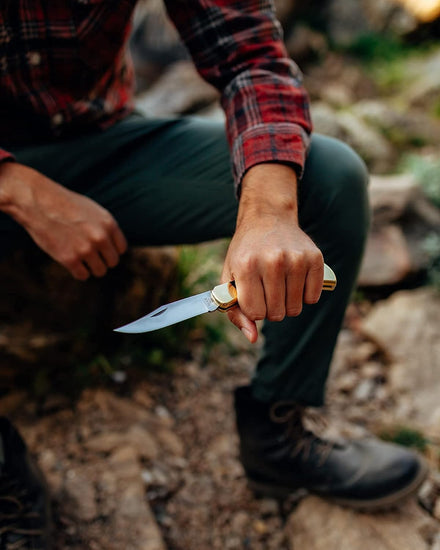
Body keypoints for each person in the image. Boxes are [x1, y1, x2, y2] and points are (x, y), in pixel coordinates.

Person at [0, 1, 427, 548]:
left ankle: (278, 432)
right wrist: (17, 188)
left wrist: (267, 214)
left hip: (101, 146)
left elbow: (249, 53)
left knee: (331, 179)